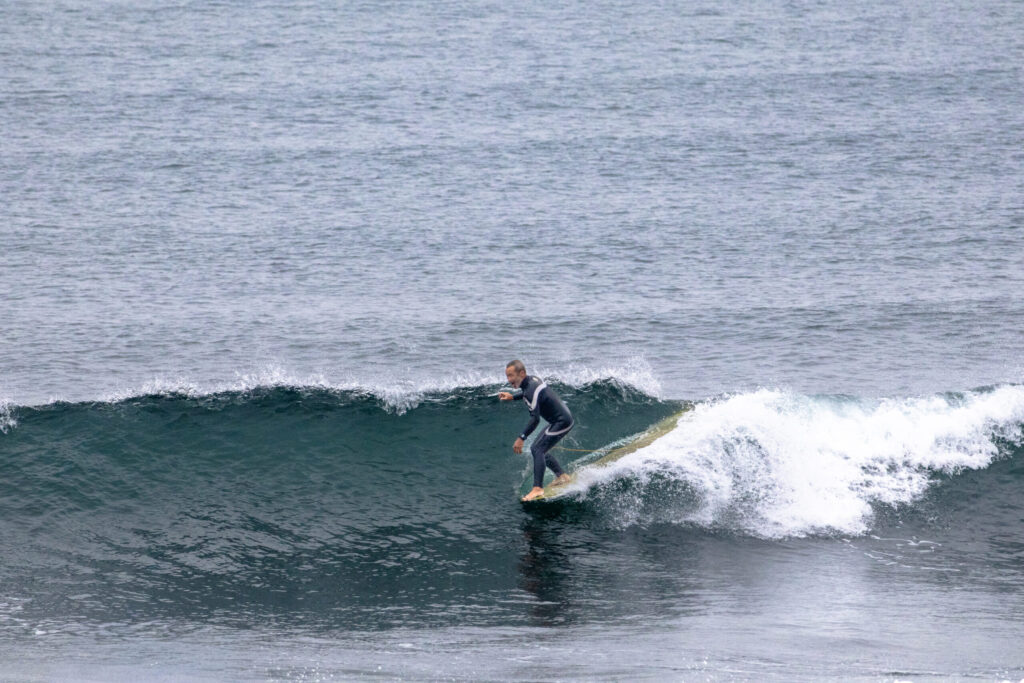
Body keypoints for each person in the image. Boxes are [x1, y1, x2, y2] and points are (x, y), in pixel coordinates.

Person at [498, 360, 574, 501]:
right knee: (537, 449)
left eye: (511, 375)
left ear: (522, 373)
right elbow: (528, 394)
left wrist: (521, 438)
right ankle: (562, 476)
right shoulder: (531, 381)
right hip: (559, 420)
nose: (509, 380)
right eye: (507, 376)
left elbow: (535, 419)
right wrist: (512, 397)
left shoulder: (529, 390)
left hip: (562, 422)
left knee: (538, 450)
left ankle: (537, 489)